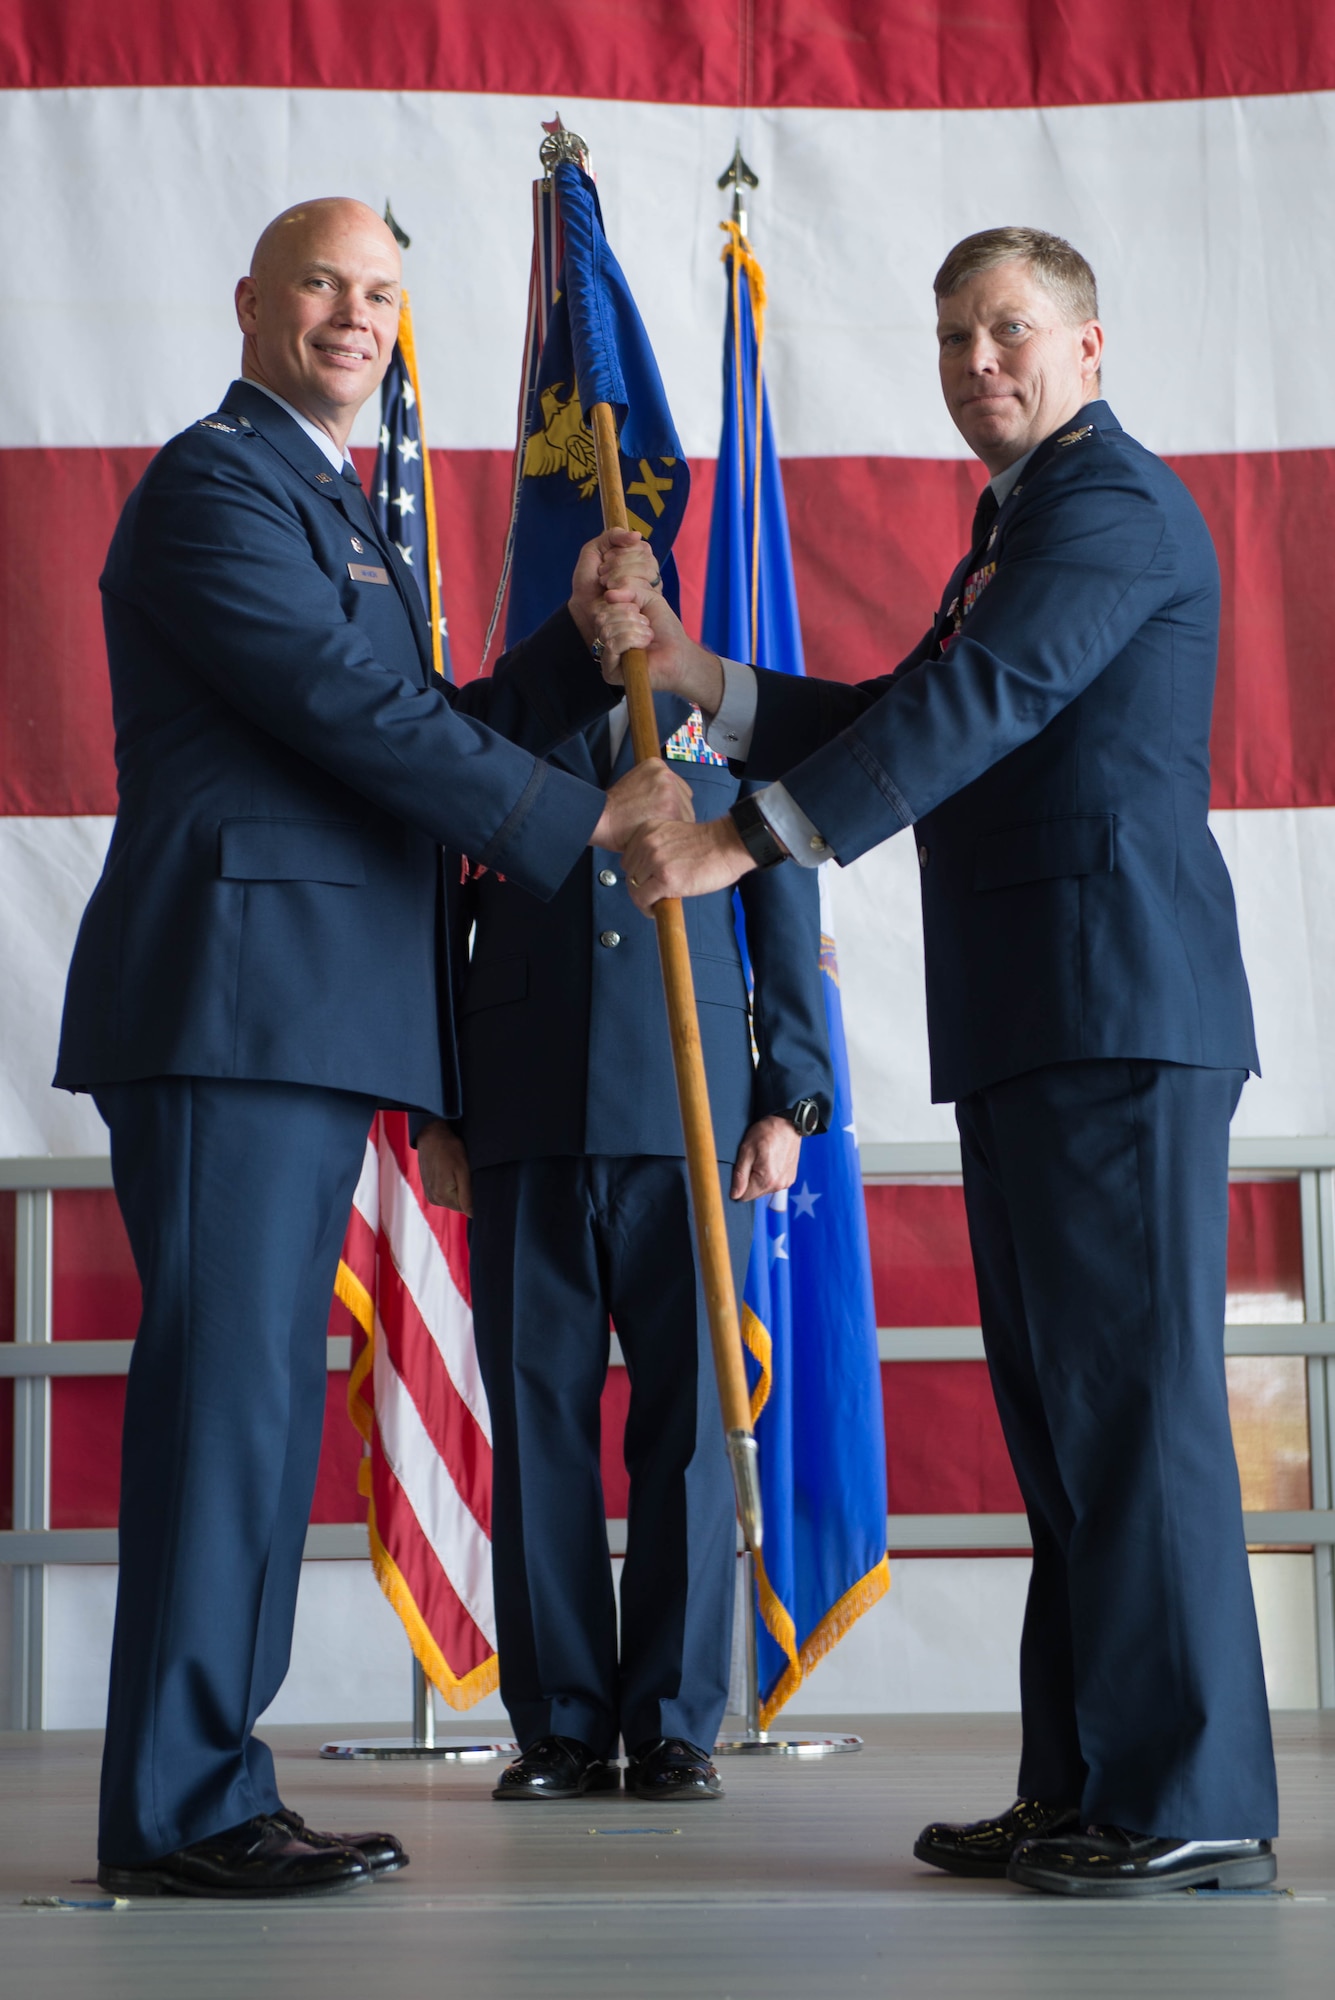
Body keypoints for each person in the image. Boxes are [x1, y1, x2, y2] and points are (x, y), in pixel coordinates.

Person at [592, 226, 1280, 1898]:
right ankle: (1088, 1783)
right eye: (958, 337)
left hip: (1117, 1011)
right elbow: (916, 701)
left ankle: (1192, 1792)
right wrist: (698, 681)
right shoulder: (1020, 523)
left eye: (1012, 331)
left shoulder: (1107, 505)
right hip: (1042, 1021)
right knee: (1064, 1426)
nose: (981, 362)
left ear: (1091, 347)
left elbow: (987, 703)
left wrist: (739, 844)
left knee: (1136, 1415)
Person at [54, 197, 682, 1900]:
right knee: (226, 1411)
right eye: (326, 283)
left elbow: (425, 724)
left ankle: (214, 1791)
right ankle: (183, 1808)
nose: (355, 315)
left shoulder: (329, 504)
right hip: (233, 1001)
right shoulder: (216, 485)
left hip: (302, 1008)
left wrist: (570, 649)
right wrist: (586, 817)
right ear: (252, 297)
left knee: (255, 1413)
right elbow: (352, 716)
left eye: (384, 293)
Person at [421, 685, 832, 1805]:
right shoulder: (501, 709)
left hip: (689, 1117)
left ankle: (670, 1721)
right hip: (522, 1111)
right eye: (601, 579)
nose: (619, 600)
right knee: (537, 1425)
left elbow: (782, 892)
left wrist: (791, 1098)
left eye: (638, 577)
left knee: (692, 1430)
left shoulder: (722, 718)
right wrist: (436, 1108)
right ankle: (557, 1722)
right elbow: (434, 906)